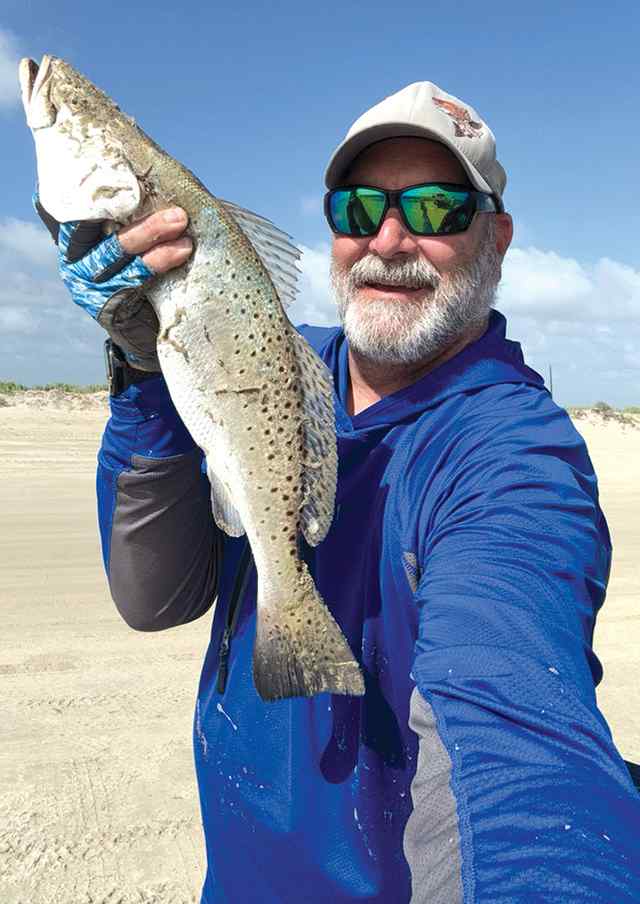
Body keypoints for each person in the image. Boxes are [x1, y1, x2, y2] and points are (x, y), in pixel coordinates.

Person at [37, 81, 640, 902]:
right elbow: (152, 598)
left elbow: (518, 737)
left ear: (496, 237)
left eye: (434, 209)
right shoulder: (266, 361)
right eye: (358, 208)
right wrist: (145, 371)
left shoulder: (511, 457)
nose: (388, 238)